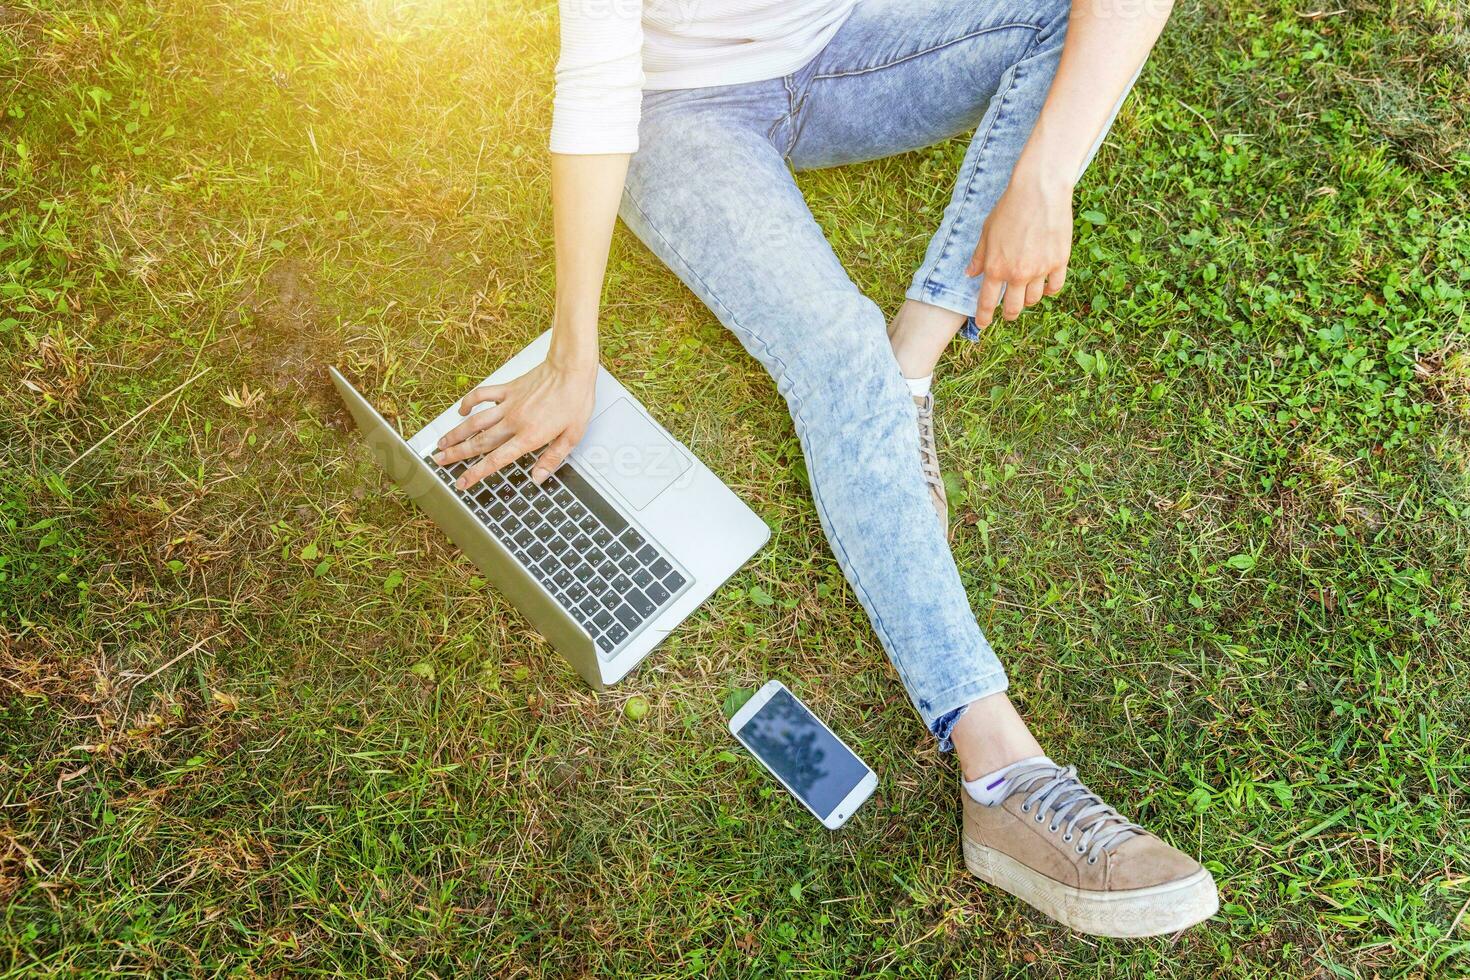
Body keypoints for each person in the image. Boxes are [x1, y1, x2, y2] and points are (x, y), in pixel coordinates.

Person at [433, 0, 1217, 937]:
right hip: (680, 113)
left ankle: (911, 363)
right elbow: (601, 86)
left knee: (1062, 22)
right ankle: (1003, 775)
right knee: (836, 354)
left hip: (849, 48)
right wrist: (574, 355)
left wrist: (1043, 176)